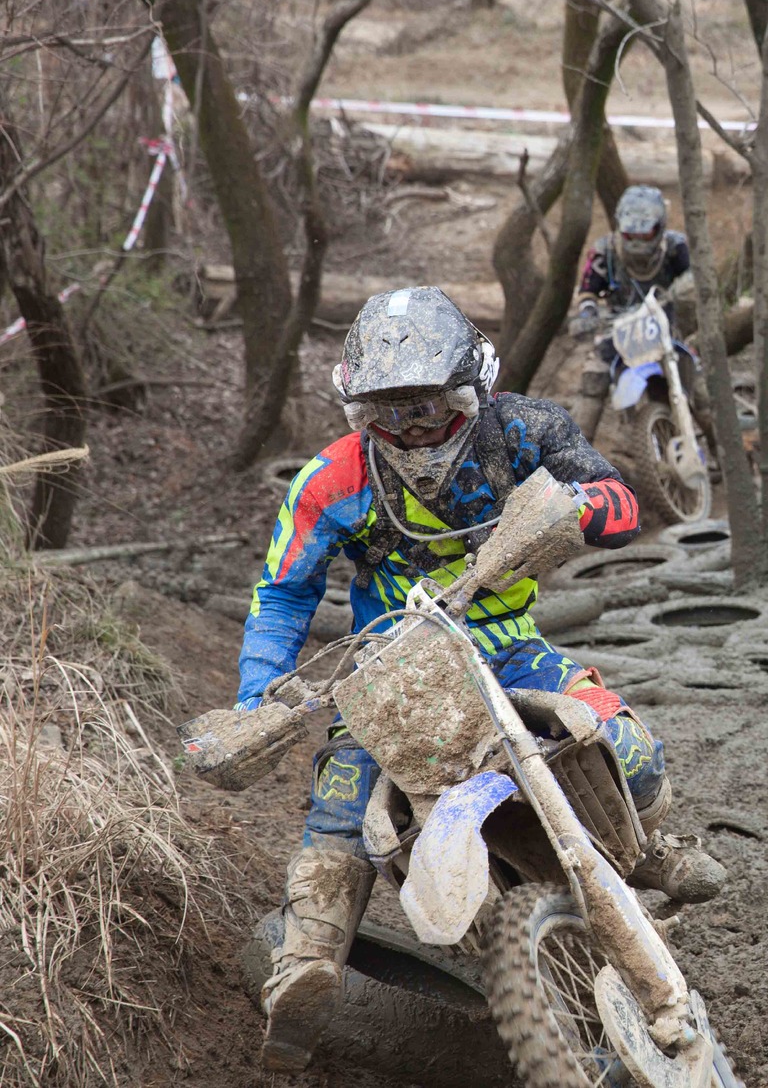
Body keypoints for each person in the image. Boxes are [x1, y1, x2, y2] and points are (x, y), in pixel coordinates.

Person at [237, 286, 724, 1072]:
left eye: (430, 408)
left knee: (618, 740)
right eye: (390, 413)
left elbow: (622, 501)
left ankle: (645, 851)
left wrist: (574, 506)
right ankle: (305, 966)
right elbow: (283, 591)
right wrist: (258, 692)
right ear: (360, 410)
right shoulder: (331, 480)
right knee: (341, 793)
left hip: (507, 642)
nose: (413, 429)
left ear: (473, 389)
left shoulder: (527, 430)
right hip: (391, 670)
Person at [569, 185, 691, 440]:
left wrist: (687, 294)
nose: (638, 241)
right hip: (618, 331)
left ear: (659, 227)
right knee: (593, 380)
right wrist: (587, 313)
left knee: (700, 390)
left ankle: (718, 450)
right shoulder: (605, 251)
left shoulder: (676, 248)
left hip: (666, 329)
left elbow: (695, 283)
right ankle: (573, 453)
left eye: (645, 234)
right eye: (631, 233)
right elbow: (587, 290)